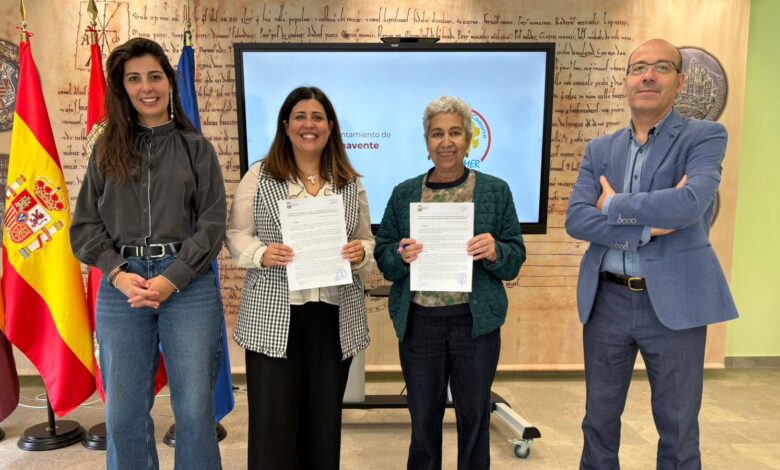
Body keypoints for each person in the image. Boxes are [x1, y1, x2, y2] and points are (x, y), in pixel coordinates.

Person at [565, 38, 739, 469]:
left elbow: (689, 204)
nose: (647, 76)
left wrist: (612, 204)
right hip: (606, 301)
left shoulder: (705, 136)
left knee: (678, 427)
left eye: (661, 67)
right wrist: (645, 229)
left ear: (679, 82)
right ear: (625, 82)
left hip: (676, 303)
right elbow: (577, 219)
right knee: (598, 422)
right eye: (638, 67)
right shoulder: (600, 149)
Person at [70, 38, 225, 470]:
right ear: (122, 88)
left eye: (154, 76)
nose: (146, 87)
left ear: (169, 82)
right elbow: (85, 226)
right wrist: (118, 274)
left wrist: (173, 277)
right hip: (122, 285)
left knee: (194, 410)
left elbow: (212, 224)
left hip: (188, 283)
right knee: (123, 412)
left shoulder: (196, 148)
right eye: (134, 78)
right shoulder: (105, 149)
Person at [374, 95, 526, 470]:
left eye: (455, 133)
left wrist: (496, 251)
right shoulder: (404, 193)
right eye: (437, 133)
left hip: (474, 325)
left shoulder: (495, 191)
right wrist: (399, 256)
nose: (446, 142)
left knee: (474, 418)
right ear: (426, 141)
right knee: (423, 421)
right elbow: (384, 256)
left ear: (469, 139)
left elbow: (514, 258)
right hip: (419, 324)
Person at [226, 86, 373, 470]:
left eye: (318, 117)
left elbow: (365, 239)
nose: (310, 125)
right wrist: (261, 253)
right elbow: (236, 233)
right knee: (273, 424)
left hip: (332, 317)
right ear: (286, 125)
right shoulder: (259, 176)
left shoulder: (349, 182)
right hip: (274, 317)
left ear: (330, 126)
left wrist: (360, 252)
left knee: (323, 423)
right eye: (301, 117)